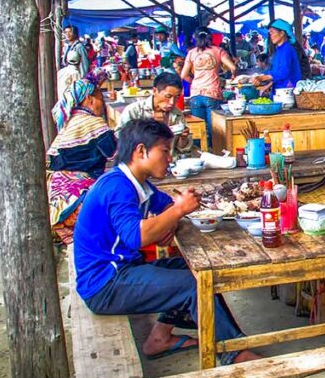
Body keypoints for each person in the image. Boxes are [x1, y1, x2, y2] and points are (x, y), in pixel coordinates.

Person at [74, 119, 257, 364]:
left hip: (122, 271)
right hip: (105, 284)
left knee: (193, 270)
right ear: (141, 151)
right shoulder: (118, 187)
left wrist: (174, 212)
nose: (169, 159)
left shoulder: (139, 184)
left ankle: (160, 337)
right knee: (193, 284)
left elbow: (168, 204)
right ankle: (233, 351)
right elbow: (137, 236)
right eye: (164, 151)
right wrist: (177, 213)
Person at [47, 75, 118, 228]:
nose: (103, 104)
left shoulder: (69, 122)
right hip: (76, 199)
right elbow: (114, 152)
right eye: (101, 98)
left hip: (57, 191)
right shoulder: (93, 122)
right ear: (89, 99)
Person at [117, 71, 193, 157]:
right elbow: (120, 139)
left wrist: (183, 138)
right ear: (154, 91)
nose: (172, 102)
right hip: (140, 164)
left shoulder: (177, 114)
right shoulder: (134, 111)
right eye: (168, 96)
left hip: (169, 164)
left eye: (176, 97)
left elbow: (181, 149)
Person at [181, 28, 237, 139]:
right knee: (214, 129)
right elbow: (233, 67)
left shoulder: (192, 53)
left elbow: (183, 75)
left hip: (196, 94)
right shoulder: (218, 51)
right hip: (213, 93)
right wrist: (233, 75)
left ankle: (198, 153)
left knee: (198, 130)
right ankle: (215, 153)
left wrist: (194, 82)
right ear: (210, 37)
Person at [255, 19, 302, 93]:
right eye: (269, 33)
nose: (270, 36)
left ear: (282, 33)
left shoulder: (287, 49)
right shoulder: (279, 50)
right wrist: (267, 86)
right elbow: (277, 73)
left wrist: (263, 77)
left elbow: (283, 72)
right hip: (279, 90)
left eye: (272, 32)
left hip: (286, 91)